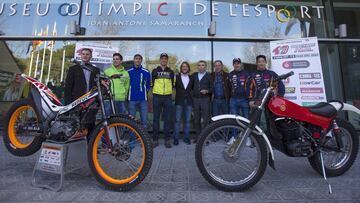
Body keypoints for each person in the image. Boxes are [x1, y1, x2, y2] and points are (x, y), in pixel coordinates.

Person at [64, 48, 99, 136]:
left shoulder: (95, 70)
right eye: (83, 54)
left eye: (87, 54)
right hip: (77, 102)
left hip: (91, 102)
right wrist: (68, 103)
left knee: (90, 124)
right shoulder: (73, 69)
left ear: (90, 56)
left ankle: (90, 146)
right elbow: (68, 87)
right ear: (81, 56)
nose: (85, 56)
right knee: (76, 124)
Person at [152, 53, 175, 148]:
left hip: (167, 97)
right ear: (160, 60)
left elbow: (173, 83)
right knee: (156, 119)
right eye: (162, 59)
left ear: (167, 60)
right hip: (157, 96)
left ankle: (167, 140)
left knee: (167, 119)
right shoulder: (154, 71)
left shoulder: (171, 71)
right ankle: (155, 140)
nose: (164, 60)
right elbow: (151, 82)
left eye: (165, 59)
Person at [191, 60, 213, 143]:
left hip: (205, 100)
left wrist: (207, 91)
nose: (201, 67)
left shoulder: (209, 76)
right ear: (197, 67)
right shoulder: (194, 75)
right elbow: (190, 87)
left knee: (205, 120)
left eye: (203, 65)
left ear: (205, 67)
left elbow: (212, 88)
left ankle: (204, 138)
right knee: (196, 120)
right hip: (196, 100)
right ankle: (198, 137)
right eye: (199, 65)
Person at [127, 54, 151, 129]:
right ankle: (133, 139)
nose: (137, 60)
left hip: (143, 99)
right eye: (136, 58)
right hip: (132, 99)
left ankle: (144, 140)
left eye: (139, 59)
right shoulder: (128, 72)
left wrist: (144, 93)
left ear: (141, 61)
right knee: (132, 121)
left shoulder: (146, 72)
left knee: (144, 121)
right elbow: (126, 85)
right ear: (133, 60)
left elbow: (148, 85)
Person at [173, 61, 193, 145]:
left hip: (188, 102)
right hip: (179, 101)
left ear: (188, 68)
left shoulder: (191, 78)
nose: (184, 68)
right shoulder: (176, 77)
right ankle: (176, 138)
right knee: (177, 121)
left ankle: (186, 137)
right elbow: (172, 86)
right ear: (181, 68)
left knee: (187, 121)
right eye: (183, 66)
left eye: (186, 66)